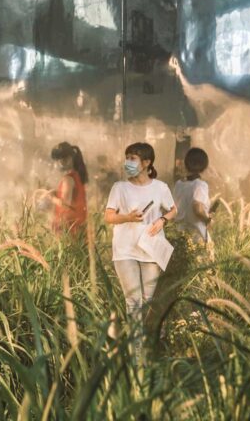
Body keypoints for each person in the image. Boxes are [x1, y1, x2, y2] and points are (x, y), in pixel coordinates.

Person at [104, 142, 177, 361]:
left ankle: (142, 345)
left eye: (133, 158)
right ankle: (136, 358)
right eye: (127, 157)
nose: (128, 162)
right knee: (133, 302)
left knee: (147, 301)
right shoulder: (119, 188)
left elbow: (173, 210)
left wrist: (162, 220)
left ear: (146, 163)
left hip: (150, 249)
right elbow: (109, 216)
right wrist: (127, 217)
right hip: (125, 250)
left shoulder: (160, 188)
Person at [173, 148, 212, 244]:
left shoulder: (178, 184)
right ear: (204, 166)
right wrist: (208, 219)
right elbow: (198, 209)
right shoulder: (200, 185)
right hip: (196, 236)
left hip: (178, 235)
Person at [49, 141, 88, 236]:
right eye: (58, 159)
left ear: (70, 158)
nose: (60, 162)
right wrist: (58, 193)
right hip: (78, 228)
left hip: (69, 229)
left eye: (62, 159)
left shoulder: (68, 179)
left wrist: (51, 197)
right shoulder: (77, 176)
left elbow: (65, 204)